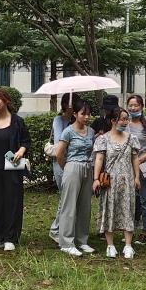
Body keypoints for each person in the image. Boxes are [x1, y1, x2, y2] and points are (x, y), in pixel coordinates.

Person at [0, 89, 30, 251]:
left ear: (6, 101)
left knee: (12, 203)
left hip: (12, 169)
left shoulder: (17, 122)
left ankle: (10, 238)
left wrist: (21, 150)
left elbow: (26, 141)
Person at [93, 108, 141, 259]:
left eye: (127, 119)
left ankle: (128, 245)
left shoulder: (131, 138)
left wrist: (137, 177)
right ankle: (110, 245)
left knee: (128, 210)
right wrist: (96, 178)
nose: (125, 122)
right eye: (122, 119)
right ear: (113, 120)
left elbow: (135, 158)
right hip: (110, 181)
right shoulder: (103, 139)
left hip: (127, 180)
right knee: (109, 209)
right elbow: (99, 159)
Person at [53, 97, 96, 257]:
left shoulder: (91, 131)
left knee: (85, 206)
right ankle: (66, 242)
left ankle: (82, 240)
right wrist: (67, 168)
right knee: (69, 206)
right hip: (72, 167)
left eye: (89, 114)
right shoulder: (68, 131)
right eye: (83, 113)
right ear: (75, 114)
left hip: (87, 168)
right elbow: (59, 154)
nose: (86, 117)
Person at [126, 94, 146, 244]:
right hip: (126, 167)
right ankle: (129, 229)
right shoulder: (124, 124)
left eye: (136, 105)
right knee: (129, 200)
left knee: (144, 199)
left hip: (143, 167)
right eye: (130, 105)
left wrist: (140, 159)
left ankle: (145, 231)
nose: (133, 108)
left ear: (142, 107)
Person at [48, 93, 74, 243]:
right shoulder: (59, 120)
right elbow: (59, 141)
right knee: (64, 196)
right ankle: (55, 229)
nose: (71, 108)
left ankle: (65, 228)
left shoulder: (75, 120)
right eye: (69, 104)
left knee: (70, 197)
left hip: (72, 161)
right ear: (64, 105)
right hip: (60, 161)